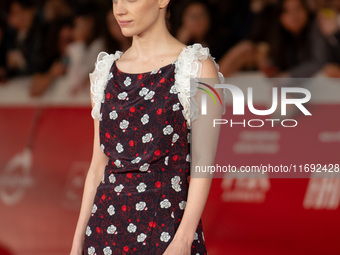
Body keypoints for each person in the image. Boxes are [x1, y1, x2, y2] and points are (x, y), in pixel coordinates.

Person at [70, 0, 226, 254]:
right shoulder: (103, 73)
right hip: (102, 230)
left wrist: (184, 240)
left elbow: (203, 162)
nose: (119, 9)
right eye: (115, 0)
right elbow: (98, 166)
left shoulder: (199, 68)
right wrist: (77, 242)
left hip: (166, 229)